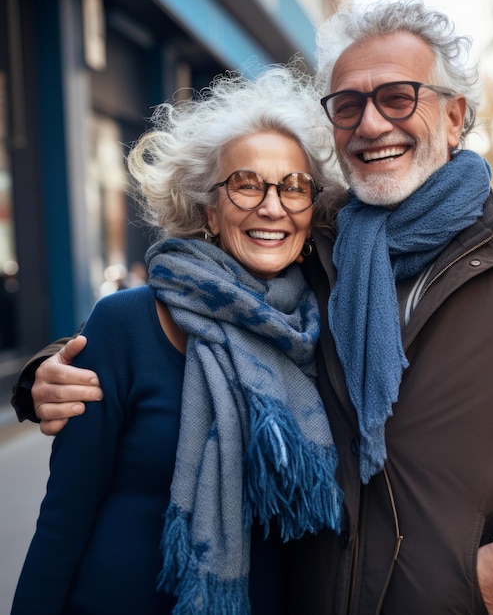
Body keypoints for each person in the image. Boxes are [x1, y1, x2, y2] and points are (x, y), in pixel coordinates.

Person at [11, 0, 493, 615]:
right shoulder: (315, 256)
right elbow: (196, 304)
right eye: (348, 105)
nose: (371, 124)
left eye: (398, 97)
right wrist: (43, 373)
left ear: (456, 115)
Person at [11, 65, 343, 615]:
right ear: (208, 209)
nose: (272, 205)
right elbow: (64, 516)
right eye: (245, 183)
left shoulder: (321, 328)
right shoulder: (124, 323)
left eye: (294, 187)